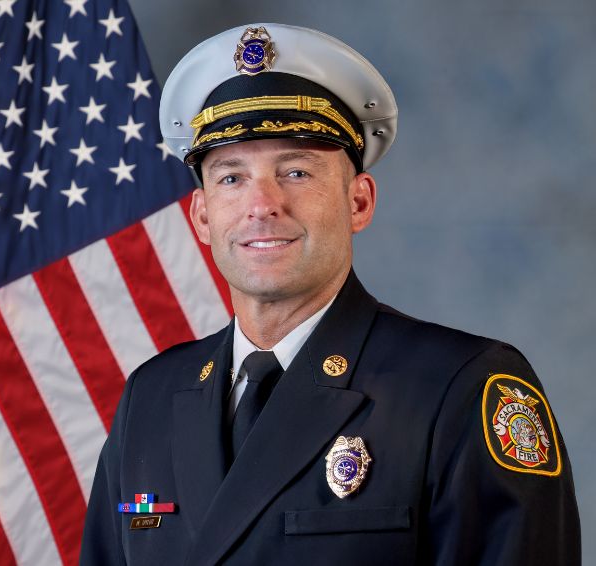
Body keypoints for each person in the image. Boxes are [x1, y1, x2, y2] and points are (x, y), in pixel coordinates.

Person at [80, 23, 580, 565]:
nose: (262, 204)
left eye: (296, 171)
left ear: (359, 202)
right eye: (231, 178)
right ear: (202, 216)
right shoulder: (149, 400)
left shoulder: (461, 390)